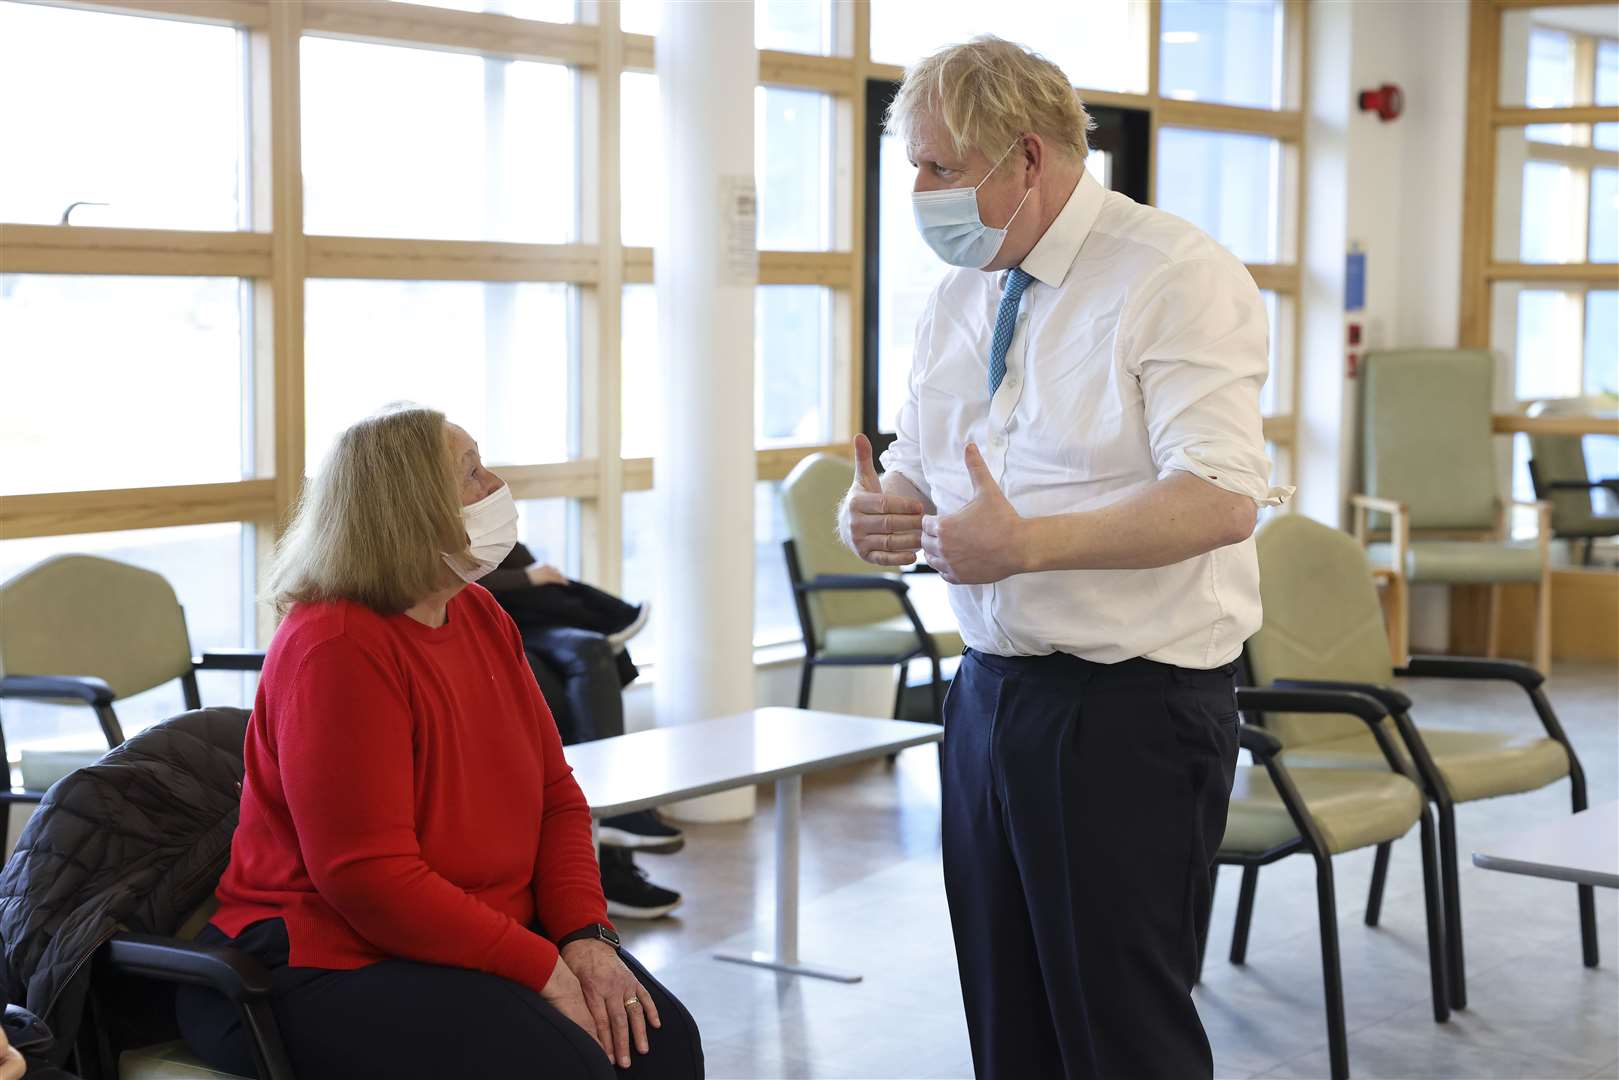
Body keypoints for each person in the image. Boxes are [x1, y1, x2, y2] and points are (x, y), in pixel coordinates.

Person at [841, 37, 1290, 1080]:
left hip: (1128, 712)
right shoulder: (960, 289)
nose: (915, 192)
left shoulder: (1173, 274)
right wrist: (883, 514)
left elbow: (1222, 498)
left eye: (937, 167)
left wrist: (1026, 546)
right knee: (1007, 1029)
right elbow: (921, 465)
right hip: (989, 696)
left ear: (1026, 158)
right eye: (911, 165)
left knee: (1119, 1039)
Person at [175, 406, 703, 1080]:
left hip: (474, 933)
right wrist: (543, 969)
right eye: (470, 473)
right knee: (565, 1064)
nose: (494, 484)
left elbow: (555, 798)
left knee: (664, 1044)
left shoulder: (480, 612)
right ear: (410, 507)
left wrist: (585, 938)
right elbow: (370, 880)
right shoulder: (336, 645)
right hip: (327, 959)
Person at [481, 550, 684, 920]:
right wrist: (527, 578)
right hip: (493, 623)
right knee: (565, 686)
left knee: (591, 651)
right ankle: (608, 851)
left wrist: (530, 574)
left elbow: (521, 559)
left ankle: (614, 836)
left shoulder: (485, 513)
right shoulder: (434, 514)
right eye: (478, 485)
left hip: (522, 618)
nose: (493, 489)